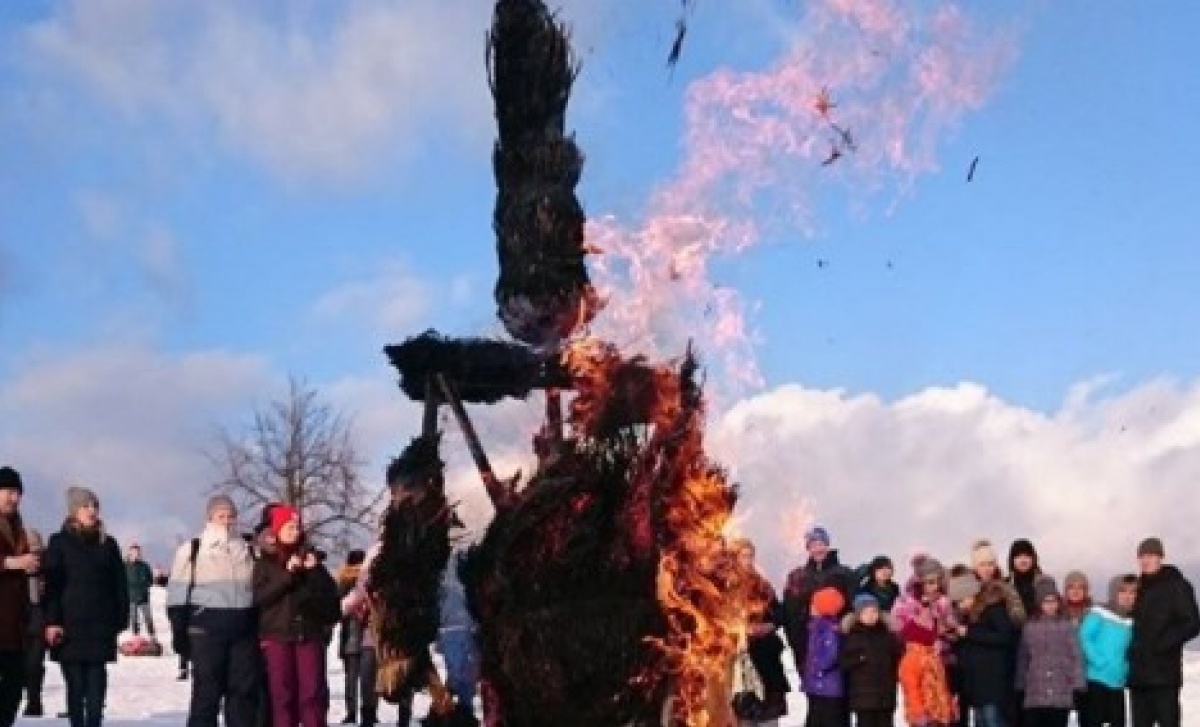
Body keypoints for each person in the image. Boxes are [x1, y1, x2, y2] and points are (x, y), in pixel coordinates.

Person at [167, 495, 261, 727]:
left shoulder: (247, 550)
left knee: (242, 695)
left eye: (231, 516)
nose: (227, 521)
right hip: (206, 628)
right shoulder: (193, 548)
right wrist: (180, 633)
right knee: (206, 695)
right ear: (210, 518)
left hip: (242, 628)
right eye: (221, 516)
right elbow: (177, 594)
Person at [42, 486, 129, 727]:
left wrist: (120, 619)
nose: (92, 510)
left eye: (95, 506)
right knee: (75, 688)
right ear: (74, 511)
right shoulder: (59, 542)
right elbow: (53, 585)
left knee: (96, 691)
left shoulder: (109, 544)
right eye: (86, 506)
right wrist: (52, 621)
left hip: (100, 627)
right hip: (70, 627)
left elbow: (119, 585)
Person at [252, 504, 340, 727]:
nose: (294, 531)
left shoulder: (312, 559)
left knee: (312, 696)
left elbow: (331, 599)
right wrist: (287, 575)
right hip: (276, 637)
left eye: (297, 526)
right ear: (277, 530)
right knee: (282, 697)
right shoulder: (265, 563)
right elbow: (259, 598)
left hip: (308, 635)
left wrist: (315, 572)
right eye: (289, 527)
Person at [1127, 537, 1200, 727]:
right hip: (1138, 678)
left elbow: (1192, 623)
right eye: (1142, 556)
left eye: (1150, 555)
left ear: (1161, 557)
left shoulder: (1177, 585)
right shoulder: (1137, 588)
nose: (1145, 560)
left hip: (1164, 677)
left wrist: (1164, 643)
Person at [730, 538, 789, 724]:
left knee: (769, 714)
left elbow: (779, 613)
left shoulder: (762, 585)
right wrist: (739, 629)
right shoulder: (724, 585)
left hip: (765, 655)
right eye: (743, 556)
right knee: (742, 712)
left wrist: (769, 626)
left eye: (750, 556)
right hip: (738, 657)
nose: (747, 560)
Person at [894, 555, 957, 727]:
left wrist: (948, 707)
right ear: (920, 583)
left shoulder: (943, 603)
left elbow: (941, 686)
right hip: (922, 716)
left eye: (936, 582)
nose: (933, 587)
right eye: (928, 582)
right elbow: (911, 687)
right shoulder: (907, 604)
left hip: (939, 714)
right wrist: (917, 713)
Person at [782, 526, 855, 672]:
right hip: (808, 644)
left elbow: (854, 607)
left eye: (821, 544)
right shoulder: (797, 576)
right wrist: (796, 643)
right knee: (813, 691)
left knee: (839, 689)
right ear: (808, 549)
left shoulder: (845, 574)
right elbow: (789, 613)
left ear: (828, 545)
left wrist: (843, 628)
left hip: (838, 642)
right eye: (813, 545)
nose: (818, 549)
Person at [1015, 578, 1085, 727]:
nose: (1051, 605)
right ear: (1039, 603)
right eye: (1046, 601)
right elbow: (1023, 657)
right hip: (1035, 690)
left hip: (1061, 689)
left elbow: (1076, 655)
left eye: (1053, 601)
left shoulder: (1066, 625)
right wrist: (1021, 683)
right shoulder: (1029, 627)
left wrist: (1078, 682)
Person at [0, 466, 39, 727]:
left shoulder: (20, 528)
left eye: (17, 493)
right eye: (8, 491)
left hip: (15, 627)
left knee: (13, 689)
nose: (14, 498)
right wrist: (11, 563)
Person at [951, 576, 1017, 727]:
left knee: (992, 721)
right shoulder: (969, 615)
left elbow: (1004, 637)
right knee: (981, 722)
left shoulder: (994, 609)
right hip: (977, 685)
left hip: (992, 684)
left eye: (961, 601)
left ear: (970, 594)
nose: (960, 606)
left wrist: (969, 633)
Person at [1079, 574, 1136, 727]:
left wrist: (1125, 669)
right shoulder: (1099, 612)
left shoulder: (1131, 620)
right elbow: (1084, 637)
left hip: (1117, 682)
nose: (1127, 596)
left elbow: (1130, 650)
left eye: (1132, 592)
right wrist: (1099, 661)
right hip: (1096, 679)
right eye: (1122, 591)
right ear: (1113, 592)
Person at [839, 593, 902, 727]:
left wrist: (896, 675)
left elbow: (897, 657)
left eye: (874, 611)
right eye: (865, 612)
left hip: (886, 693)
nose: (871, 615)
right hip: (862, 696)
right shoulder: (851, 635)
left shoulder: (887, 634)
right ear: (858, 615)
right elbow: (843, 662)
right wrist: (860, 658)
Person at [438, 546, 480, 724]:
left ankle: (460, 715)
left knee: (459, 675)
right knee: (464, 677)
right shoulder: (468, 561)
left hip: (453, 626)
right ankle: (463, 715)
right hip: (465, 626)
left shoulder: (443, 567)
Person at [801, 587, 847, 727]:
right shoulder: (819, 626)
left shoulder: (826, 628)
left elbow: (830, 654)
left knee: (823, 719)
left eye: (814, 604)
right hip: (820, 685)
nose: (811, 607)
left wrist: (816, 669)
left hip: (826, 686)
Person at [336, 549, 366, 725]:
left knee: (351, 678)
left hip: (349, 636)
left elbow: (337, 608)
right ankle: (370, 709)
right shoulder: (370, 579)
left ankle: (351, 712)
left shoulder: (343, 581)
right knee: (369, 678)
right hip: (368, 635)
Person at [22, 529, 47, 718]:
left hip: (38, 621)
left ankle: (34, 702)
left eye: (37, 552)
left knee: (34, 665)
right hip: (17, 621)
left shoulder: (46, 569)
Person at [125, 544, 157, 641]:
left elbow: (150, 580)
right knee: (134, 618)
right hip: (131, 597)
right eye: (134, 552)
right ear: (130, 552)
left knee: (148, 618)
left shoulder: (145, 566)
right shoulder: (125, 566)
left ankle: (152, 636)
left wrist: (145, 586)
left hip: (144, 597)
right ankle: (135, 637)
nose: (136, 554)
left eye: (137, 552)